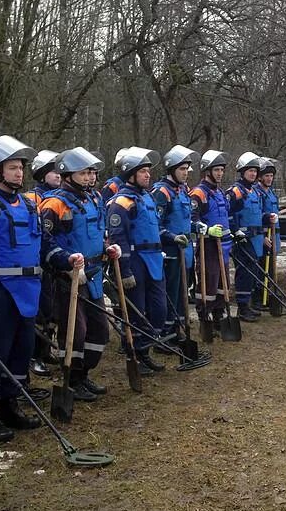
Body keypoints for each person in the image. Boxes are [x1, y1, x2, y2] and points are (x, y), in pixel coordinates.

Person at [0, 135, 82, 442]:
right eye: (12, 167)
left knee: (20, 351)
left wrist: (66, 260)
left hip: (29, 291)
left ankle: (10, 406)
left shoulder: (29, 205)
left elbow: (44, 245)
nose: (18, 173)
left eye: (20, 168)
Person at [40, 147, 119, 399]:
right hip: (69, 279)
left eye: (92, 173)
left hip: (94, 274)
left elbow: (98, 234)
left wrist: (108, 249)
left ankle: (84, 374)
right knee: (76, 331)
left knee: (99, 331)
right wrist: (65, 262)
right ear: (67, 174)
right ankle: (71, 379)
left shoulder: (95, 199)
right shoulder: (55, 203)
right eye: (84, 173)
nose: (90, 178)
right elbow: (45, 242)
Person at [107, 147, 167, 374]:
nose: (148, 175)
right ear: (130, 174)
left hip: (154, 260)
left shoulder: (148, 197)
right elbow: (117, 237)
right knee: (137, 311)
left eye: (148, 171)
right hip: (135, 261)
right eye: (143, 171)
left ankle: (146, 349)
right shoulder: (121, 202)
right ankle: (137, 354)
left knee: (158, 309)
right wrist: (125, 270)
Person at [151, 145, 197, 337]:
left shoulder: (182, 190)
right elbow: (156, 225)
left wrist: (198, 227)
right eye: (182, 169)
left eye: (187, 169)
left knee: (182, 292)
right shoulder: (162, 192)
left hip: (185, 250)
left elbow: (187, 219)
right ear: (171, 169)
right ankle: (166, 332)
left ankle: (178, 327)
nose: (185, 173)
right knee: (170, 293)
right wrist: (171, 237)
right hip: (170, 252)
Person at [23, 149, 61, 377]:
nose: (58, 175)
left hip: (56, 264)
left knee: (53, 312)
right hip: (37, 267)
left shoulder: (63, 197)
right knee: (39, 314)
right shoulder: (31, 199)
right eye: (52, 171)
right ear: (41, 173)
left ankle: (46, 350)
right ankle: (34, 355)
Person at [189, 150, 231, 330]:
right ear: (207, 171)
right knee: (209, 282)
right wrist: (207, 230)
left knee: (223, 283)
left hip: (224, 245)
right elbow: (192, 219)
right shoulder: (198, 193)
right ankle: (204, 314)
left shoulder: (220, 192)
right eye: (216, 170)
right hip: (208, 246)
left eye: (221, 170)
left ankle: (219, 314)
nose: (220, 173)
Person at [227, 152, 265, 322]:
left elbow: (257, 215)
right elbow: (228, 214)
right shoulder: (235, 191)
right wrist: (235, 232)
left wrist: (268, 219)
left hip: (255, 239)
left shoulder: (255, 192)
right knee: (244, 272)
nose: (253, 174)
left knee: (253, 272)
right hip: (241, 240)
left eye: (255, 171)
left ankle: (248, 304)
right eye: (250, 171)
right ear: (242, 172)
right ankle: (242, 307)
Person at [252, 157, 282, 312]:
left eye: (271, 176)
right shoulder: (257, 193)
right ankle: (258, 299)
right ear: (260, 177)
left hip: (274, 235)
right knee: (261, 269)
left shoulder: (271, 193)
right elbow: (258, 216)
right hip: (263, 237)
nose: (269, 178)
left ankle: (269, 296)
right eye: (266, 175)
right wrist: (263, 236)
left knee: (270, 270)